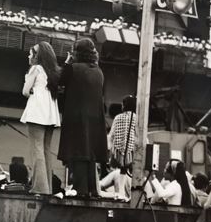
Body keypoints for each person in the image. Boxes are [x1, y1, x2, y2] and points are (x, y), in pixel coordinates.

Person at [57, 38, 106, 198]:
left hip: (76, 117)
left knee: (77, 152)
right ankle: (92, 189)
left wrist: (67, 62)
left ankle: (81, 189)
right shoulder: (99, 71)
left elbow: (59, 80)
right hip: (95, 119)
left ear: (76, 52)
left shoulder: (73, 68)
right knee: (89, 154)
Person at [19, 41, 61, 194]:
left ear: (38, 56)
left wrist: (31, 91)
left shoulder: (35, 69)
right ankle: (47, 187)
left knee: (36, 149)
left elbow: (25, 91)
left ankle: (39, 187)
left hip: (36, 112)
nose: (29, 55)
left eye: (32, 53)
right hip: (51, 113)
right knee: (46, 150)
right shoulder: (53, 72)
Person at [108, 95, 137, 174]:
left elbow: (111, 136)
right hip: (132, 156)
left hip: (117, 156)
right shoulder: (137, 118)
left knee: (116, 174)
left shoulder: (118, 117)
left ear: (124, 106)